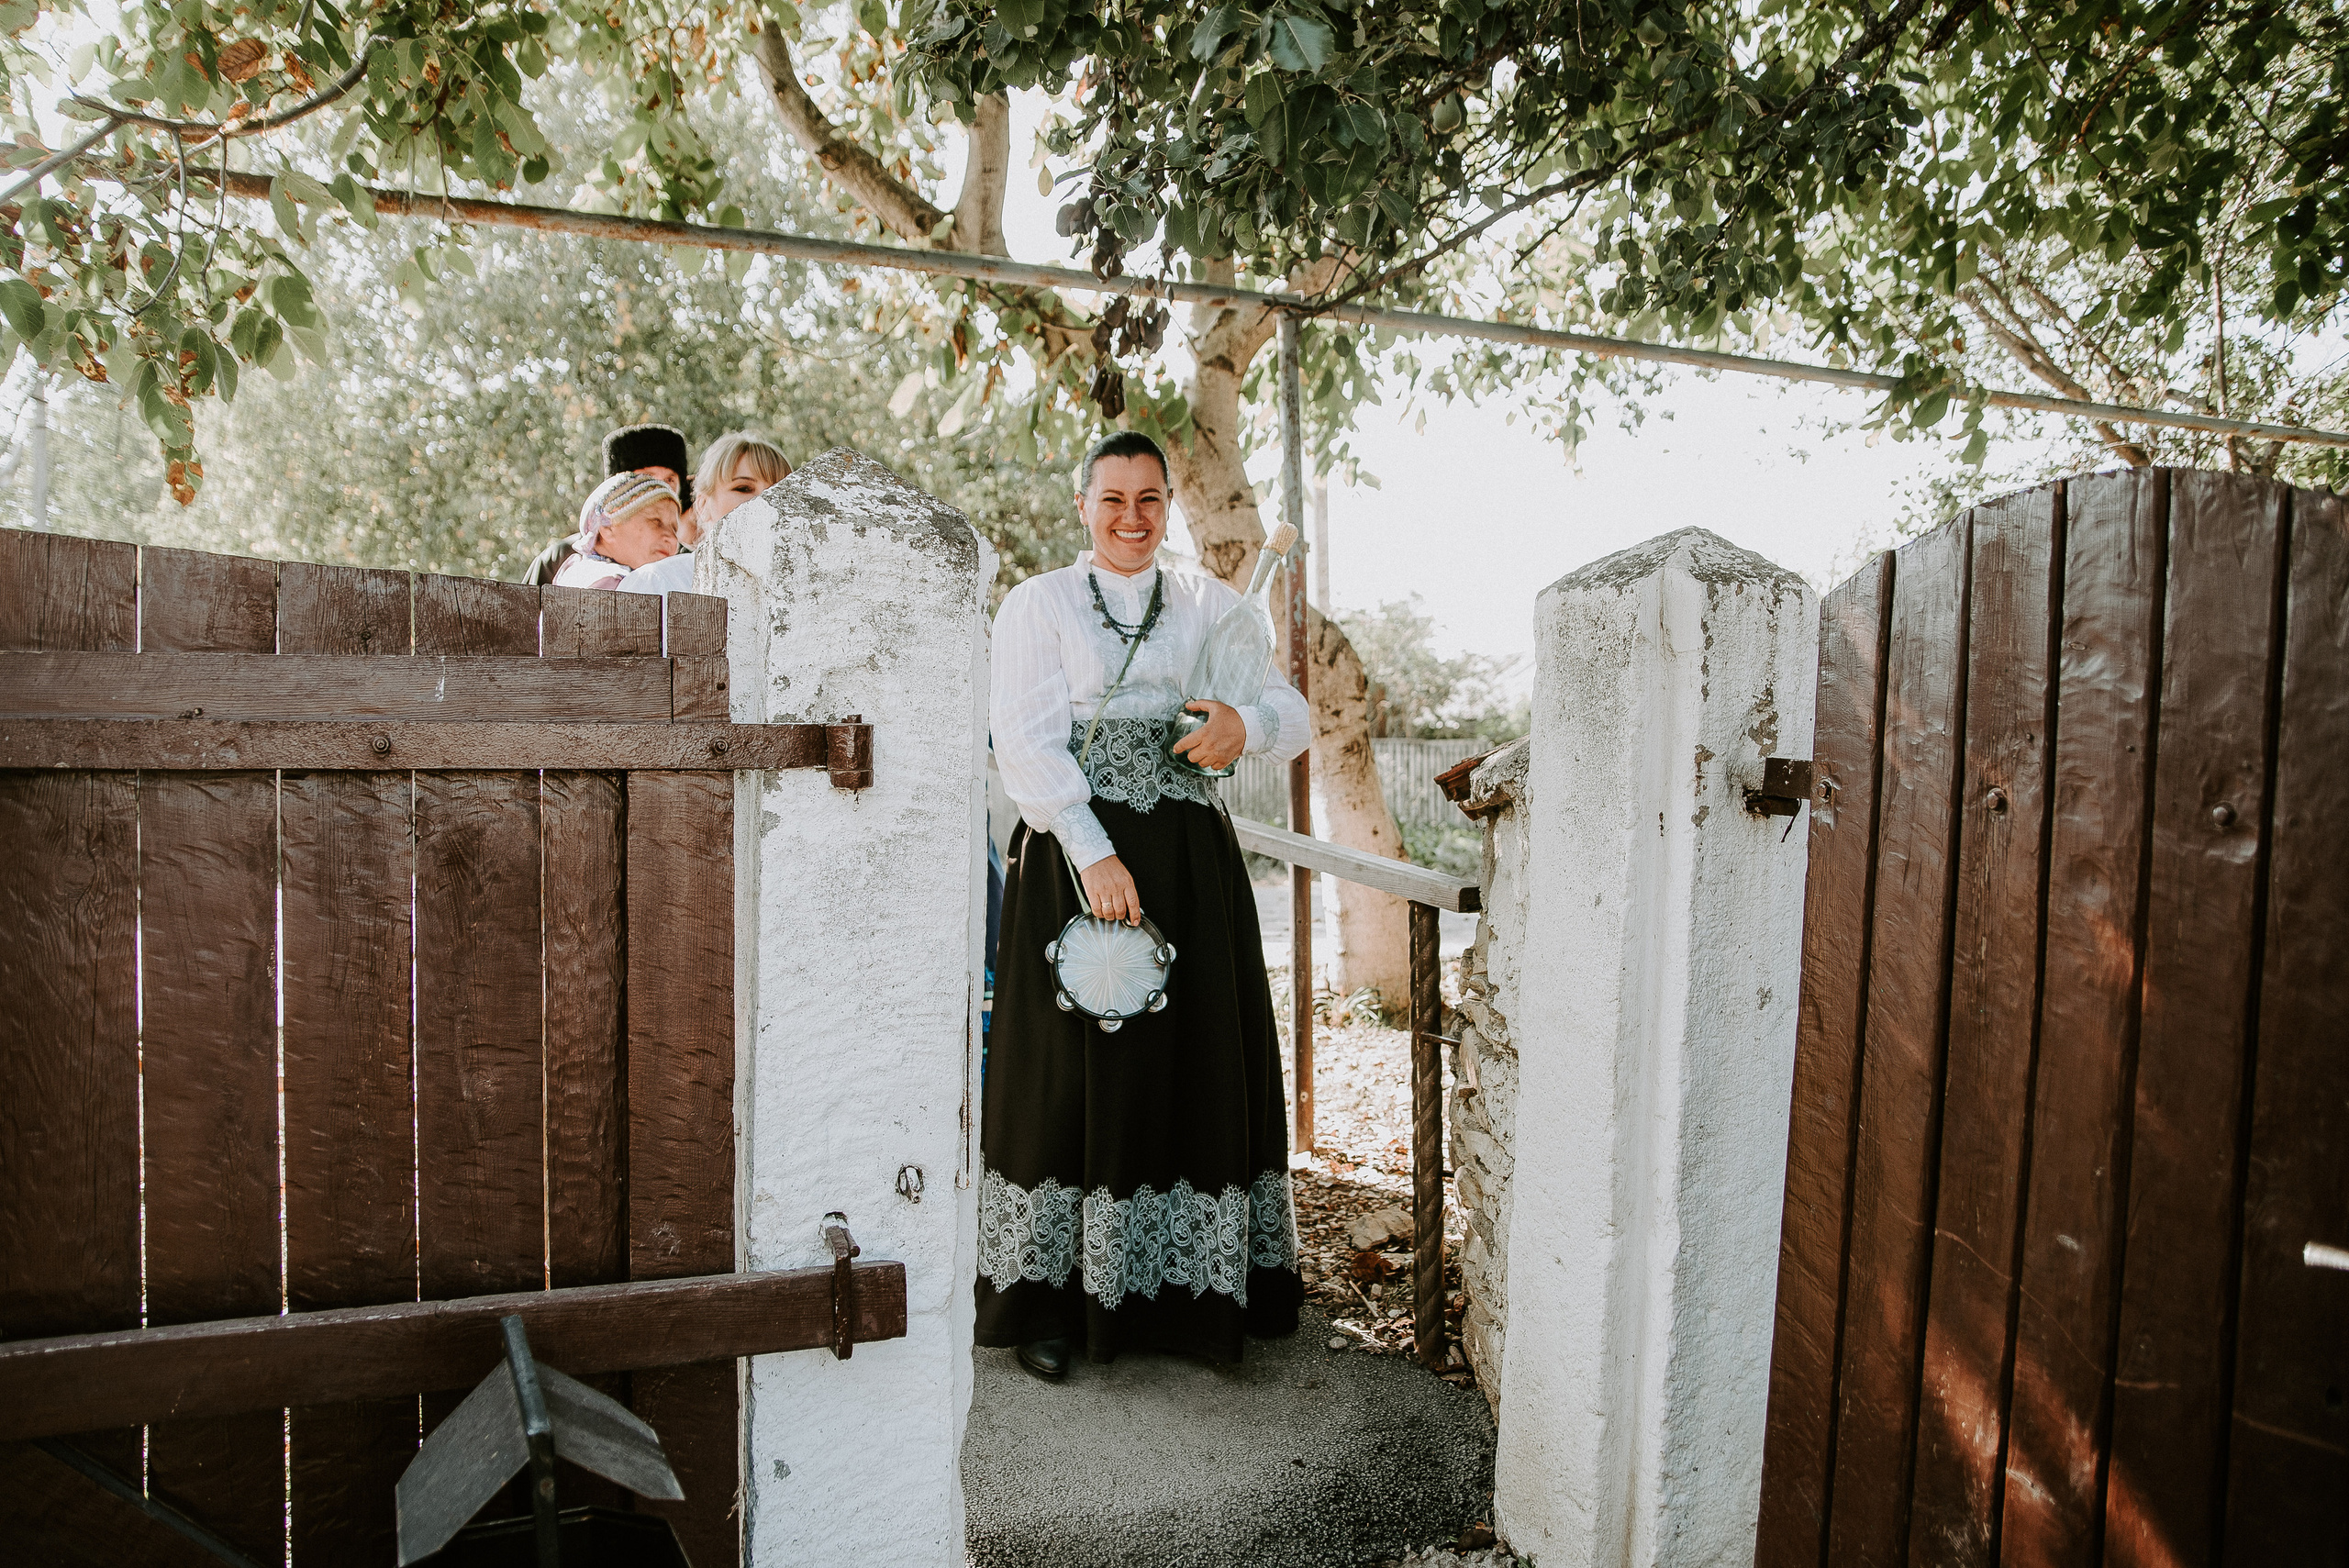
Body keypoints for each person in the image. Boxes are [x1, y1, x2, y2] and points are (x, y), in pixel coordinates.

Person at [978, 429, 1311, 1380]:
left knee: (1192, 1062)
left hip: (1192, 866)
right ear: (1082, 504)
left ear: (1168, 506)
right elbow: (1025, 742)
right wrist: (1095, 854)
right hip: (1075, 859)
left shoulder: (1209, 603)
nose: (1132, 517)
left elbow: (1288, 713)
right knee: (1068, 1074)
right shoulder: (1039, 602)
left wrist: (1246, 723)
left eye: (1150, 499)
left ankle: (1190, 1298)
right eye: (1113, 498)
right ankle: (1047, 1300)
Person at [521, 423, 697, 585]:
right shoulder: (561, 558)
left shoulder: (689, 566)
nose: (659, 488)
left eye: (670, 480)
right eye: (647, 478)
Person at [621, 431, 792, 596]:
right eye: (744, 488)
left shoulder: (799, 588)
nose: (764, 501)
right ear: (702, 505)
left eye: (777, 493)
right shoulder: (656, 583)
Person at [551, 472, 682, 590]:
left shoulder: (579, 573)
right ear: (608, 528)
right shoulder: (609, 583)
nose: (672, 539)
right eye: (655, 521)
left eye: (675, 530)